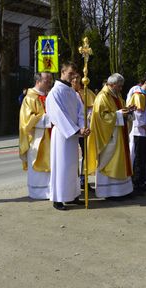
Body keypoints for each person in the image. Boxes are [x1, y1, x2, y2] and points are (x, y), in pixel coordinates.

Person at [46, 62, 89, 210]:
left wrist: (83, 127)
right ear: (62, 72)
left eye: (74, 74)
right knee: (61, 166)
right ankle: (58, 199)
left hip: (74, 134)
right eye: (70, 74)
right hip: (62, 134)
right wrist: (76, 130)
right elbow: (57, 115)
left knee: (72, 167)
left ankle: (72, 196)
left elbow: (81, 112)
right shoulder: (54, 92)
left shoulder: (72, 92)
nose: (73, 77)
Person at [88, 73, 135, 200]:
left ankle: (123, 191)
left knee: (121, 161)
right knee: (110, 163)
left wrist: (128, 111)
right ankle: (109, 192)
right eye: (119, 86)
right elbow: (100, 117)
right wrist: (119, 115)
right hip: (109, 136)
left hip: (120, 134)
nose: (121, 89)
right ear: (113, 84)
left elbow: (120, 110)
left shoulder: (117, 95)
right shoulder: (102, 97)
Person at [18, 72, 53, 200]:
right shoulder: (30, 98)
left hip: (51, 136)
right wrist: (47, 119)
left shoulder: (50, 96)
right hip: (37, 137)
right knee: (38, 162)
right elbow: (26, 121)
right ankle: (38, 192)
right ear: (38, 81)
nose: (49, 82)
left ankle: (51, 191)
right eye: (47, 80)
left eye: (50, 80)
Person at [72, 74, 96, 190]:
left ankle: (83, 178)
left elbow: (93, 108)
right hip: (71, 129)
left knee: (85, 154)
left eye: (78, 78)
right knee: (72, 156)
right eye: (73, 78)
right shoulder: (68, 94)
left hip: (83, 128)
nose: (76, 80)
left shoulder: (88, 92)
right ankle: (72, 180)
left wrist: (90, 113)